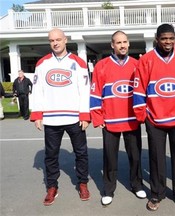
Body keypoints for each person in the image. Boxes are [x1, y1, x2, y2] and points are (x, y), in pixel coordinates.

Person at [133, 23, 175, 211]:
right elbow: (139, 89)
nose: (168, 42)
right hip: (155, 119)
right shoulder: (146, 60)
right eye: (164, 38)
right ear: (157, 39)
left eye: (171, 38)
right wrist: (142, 115)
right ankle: (157, 194)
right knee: (156, 159)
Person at [30, 28, 91, 206]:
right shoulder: (42, 63)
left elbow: (84, 90)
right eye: (51, 40)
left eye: (58, 39)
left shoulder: (78, 62)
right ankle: (51, 187)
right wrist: (38, 114)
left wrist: (85, 114)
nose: (55, 43)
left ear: (65, 40)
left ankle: (82, 183)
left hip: (74, 117)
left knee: (81, 153)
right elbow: (37, 91)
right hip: (51, 118)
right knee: (50, 155)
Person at [90, 30, 146, 206]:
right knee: (110, 157)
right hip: (110, 120)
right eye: (118, 42)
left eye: (125, 42)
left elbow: (144, 91)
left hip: (132, 119)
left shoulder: (138, 65)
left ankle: (137, 184)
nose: (122, 45)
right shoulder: (101, 66)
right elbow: (95, 92)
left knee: (135, 157)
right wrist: (97, 117)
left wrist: (143, 114)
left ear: (128, 44)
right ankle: (108, 189)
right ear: (112, 45)